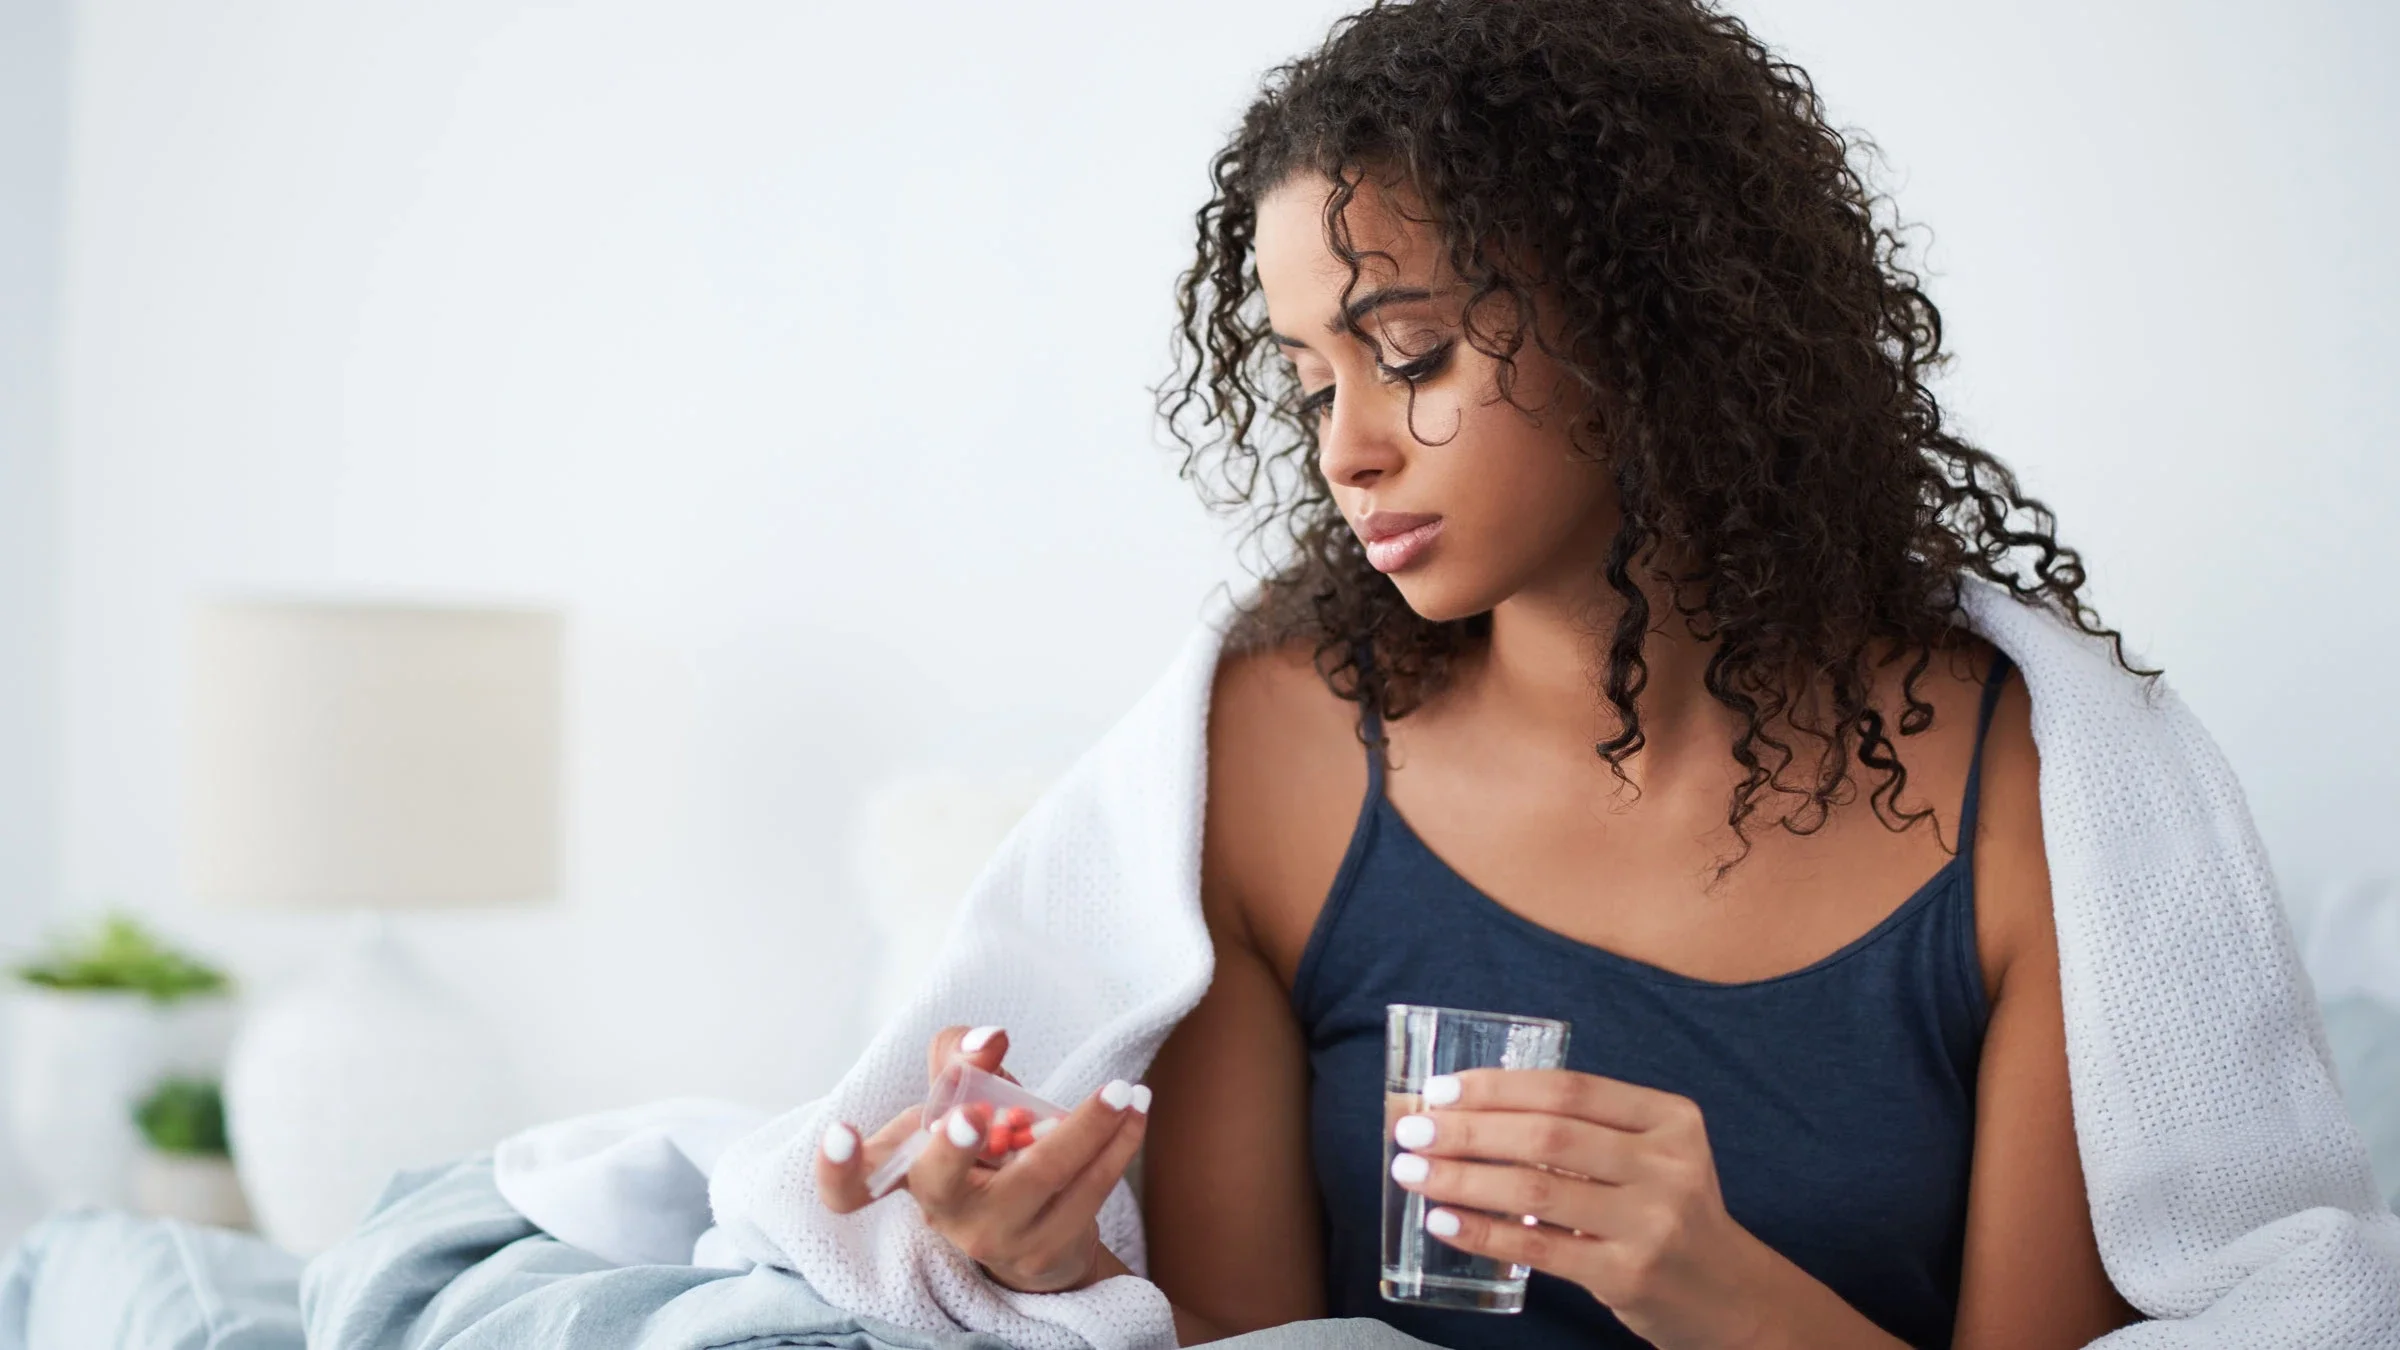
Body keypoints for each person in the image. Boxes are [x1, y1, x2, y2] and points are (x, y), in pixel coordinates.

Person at [818, 1, 2154, 1344]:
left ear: (1649, 315)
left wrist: (1711, 1284)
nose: (1345, 451)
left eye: (1409, 356)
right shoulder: (1277, 759)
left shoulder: (2029, 789)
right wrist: (1053, 1271)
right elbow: (1253, 1338)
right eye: (1308, 385)